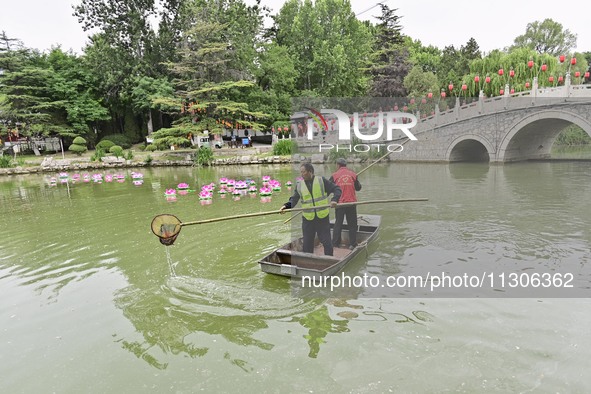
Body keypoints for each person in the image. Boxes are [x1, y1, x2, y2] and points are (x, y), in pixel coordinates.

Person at [280, 163, 342, 256]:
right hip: (308, 219)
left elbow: (337, 189)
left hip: (322, 217)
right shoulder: (299, 185)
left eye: (303, 172)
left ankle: (329, 260)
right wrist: (286, 206)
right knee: (307, 243)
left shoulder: (322, 181)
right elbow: (294, 199)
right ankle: (308, 261)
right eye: (300, 172)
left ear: (310, 171)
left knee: (327, 242)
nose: (302, 174)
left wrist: (334, 200)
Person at [329, 158, 362, 249]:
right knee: (352, 224)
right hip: (351, 203)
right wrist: (354, 179)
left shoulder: (334, 175)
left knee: (338, 223)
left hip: (339, 203)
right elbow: (358, 188)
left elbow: (328, 188)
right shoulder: (353, 174)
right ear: (345, 165)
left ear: (337, 165)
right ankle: (352, 244)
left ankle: (335, 244)